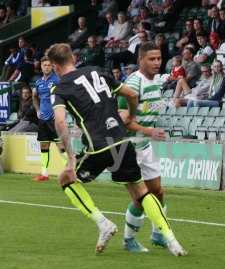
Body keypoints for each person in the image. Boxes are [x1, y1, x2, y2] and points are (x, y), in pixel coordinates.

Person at [47, 42, 186, 256]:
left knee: (66, 179)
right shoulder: (97, 71)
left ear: (55, 66)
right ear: (73, 58)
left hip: (98, 146)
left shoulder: (60, 87)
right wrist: (130, 115)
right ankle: (171, 240)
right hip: (121, 141)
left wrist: (72, 158)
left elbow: (60, 122)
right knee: (141, 192)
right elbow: (131, 95)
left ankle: (103, 223)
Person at [117, 41, 174, 252]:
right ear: (140, 60)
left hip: (144, 145)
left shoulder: (155, 82)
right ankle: (128, 240)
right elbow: (123, 119)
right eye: (151, 59)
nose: (157, 62)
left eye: (159, 58)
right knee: (141, 198)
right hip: (128, 147)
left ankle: (158, 234)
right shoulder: (133, 83)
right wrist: (150, 131)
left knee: (157, 191)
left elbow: (148, 108)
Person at [31, 56, 64, 182]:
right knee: (44, 146)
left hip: (55, 119)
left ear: (52, 67)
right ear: (41, 66)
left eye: (49, 65)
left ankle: (72, 171)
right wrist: (38, 110)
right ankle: (44, 174)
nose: (47, 67)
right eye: (44, 65)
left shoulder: (57, 80)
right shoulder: (38, 82)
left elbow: (64, 95)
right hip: (43, 119)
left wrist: (60, 111)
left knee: (61, 146)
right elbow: (34, 96)